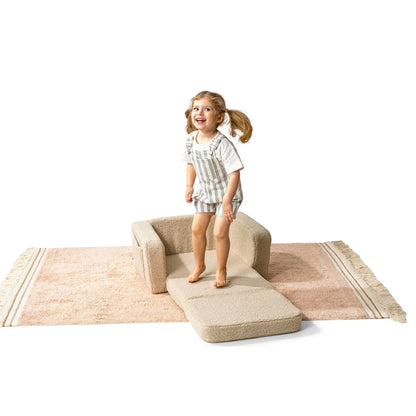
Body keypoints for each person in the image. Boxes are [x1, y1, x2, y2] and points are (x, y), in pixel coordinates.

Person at [182, 91, 253, 287]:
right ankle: (199, 265)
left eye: (206, 109)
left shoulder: (222, 144)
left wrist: (227, 201)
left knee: (219, 232)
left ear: (219, 117)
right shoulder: (190, 141)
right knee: (196, 229)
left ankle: (221, 269)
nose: (199, 113)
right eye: (196, 108)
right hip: (206, 193)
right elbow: (191, 164)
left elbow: (234, 175)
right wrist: (189, 186)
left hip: (227, 194)